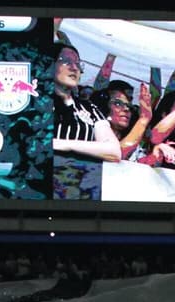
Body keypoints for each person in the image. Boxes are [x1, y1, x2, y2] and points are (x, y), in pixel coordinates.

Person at [51, 43, 121, 200]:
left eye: (77, 63)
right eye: (66, 61)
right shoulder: (37, 101)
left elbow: (113, 151)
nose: (74, 68)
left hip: (81, 190)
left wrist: (63, 144)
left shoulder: (89, 108)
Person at [90, 80, 153, 160]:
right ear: (104, 107)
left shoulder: (135, 142)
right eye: (117, 104)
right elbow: (117, 154)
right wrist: (144, 119)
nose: (126, 109)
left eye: (129, 106)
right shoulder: (90, 135)